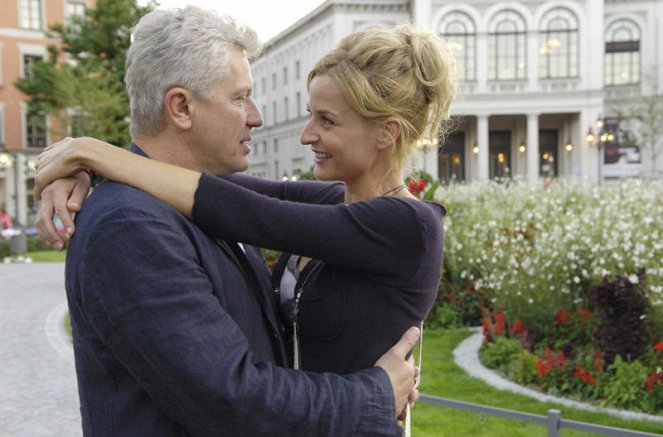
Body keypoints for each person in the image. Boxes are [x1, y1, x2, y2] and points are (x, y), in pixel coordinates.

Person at [33, 7, 420, 436]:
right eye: (239, 97)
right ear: (181, 107)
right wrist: (376, 393)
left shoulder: (211, 202)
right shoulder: (130, 225)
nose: (256, 116)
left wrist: (91, 162)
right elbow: (233, 401)